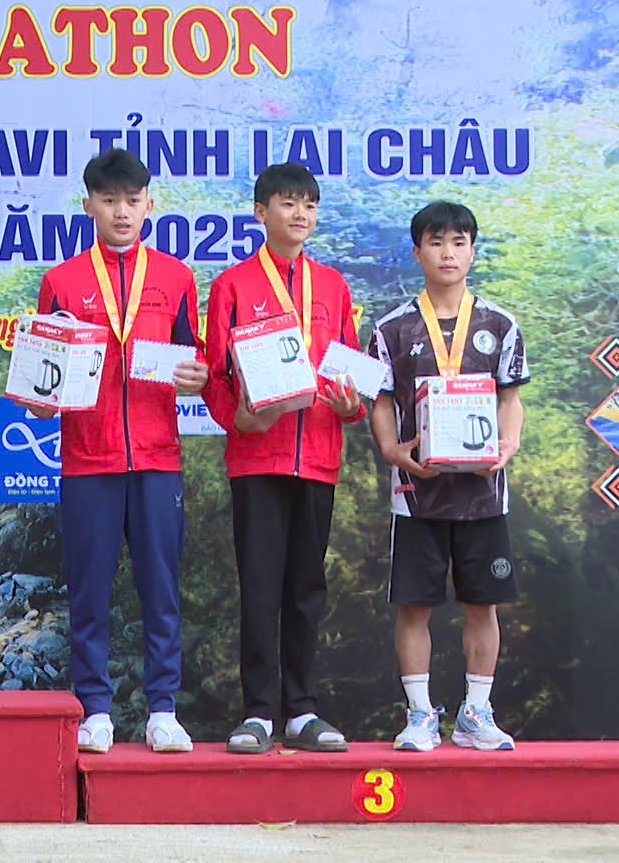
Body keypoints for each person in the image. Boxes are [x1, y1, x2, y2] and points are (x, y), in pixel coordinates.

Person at [25, 149, 207, 754]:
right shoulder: (62, 281)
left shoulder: (177, 277)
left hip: (156, 457)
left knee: (161, 590)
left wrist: (197, 376)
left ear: (150, 204)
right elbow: (42, 375)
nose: (121, 212)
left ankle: (163, 710)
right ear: (88, 206)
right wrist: (39, 401)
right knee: (88, 591)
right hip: (88, 459)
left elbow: (193, 359)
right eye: (109, 201)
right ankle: (95, 710)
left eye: (132, 200)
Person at [203, 162, 365, 755]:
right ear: (260, 212)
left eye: (309, 205)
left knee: (305, 589)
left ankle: (302, 710)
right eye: (289, 203)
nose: (301, 215)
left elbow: (349, 371)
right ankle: (257, 713)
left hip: (317, 455)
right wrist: (239, 418)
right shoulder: (232, 285)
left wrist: (351, 405)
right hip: (257, 457)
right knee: (260, 586)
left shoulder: (333, 286)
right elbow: (215, 377)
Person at [368, 200, 526, 753]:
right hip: (418, 494)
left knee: (483, 604)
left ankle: (476, 713)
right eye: (436, 242)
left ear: (472, 251)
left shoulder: (500, 324)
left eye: (459, 242)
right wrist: (391, 449)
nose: (448, 253)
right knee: (415, 605)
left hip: (484, 493)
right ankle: (419, 715)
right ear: (417, 252)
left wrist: (509, 443)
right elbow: (380, 401)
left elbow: (510, 398)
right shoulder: (391, 327)